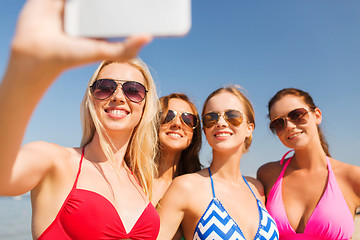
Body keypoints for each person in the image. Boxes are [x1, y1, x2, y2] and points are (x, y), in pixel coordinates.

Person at [0, 0, 160, 239]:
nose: (118, 96)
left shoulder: (144, 182)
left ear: (145, 105)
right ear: (91, 99)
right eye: (105, 87)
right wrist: (22, 68)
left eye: (133, 90)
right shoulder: (56, 161)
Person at [157, 86, 279, 240]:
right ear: (205, 130)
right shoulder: (185, 187)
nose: (221, 122)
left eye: (232, 116)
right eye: (211, 118)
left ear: (249, 128)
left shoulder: (258, 189)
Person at [257, 88, 360, 239]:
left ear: (317, 115)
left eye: (297, 115)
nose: (289, 126)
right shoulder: (267, 175)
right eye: (279, 123)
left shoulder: (352, 176)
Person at [153, 93, 202, 206]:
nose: (177, 124)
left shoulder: (199, 187)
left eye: (187, 119)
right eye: (167, 116)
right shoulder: (129, 177)